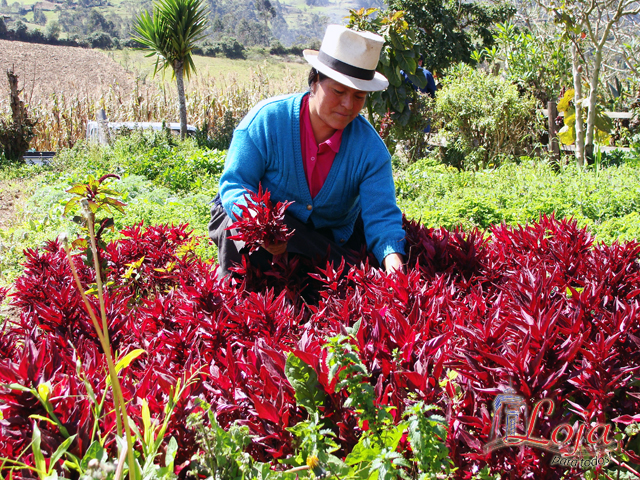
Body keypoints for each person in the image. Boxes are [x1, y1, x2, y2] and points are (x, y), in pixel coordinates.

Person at [209, 25, 406, 279]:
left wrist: (394, 266)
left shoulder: (370, 151)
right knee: (234, 231)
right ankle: (234, 302)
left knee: (336, 275)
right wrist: (264, 228)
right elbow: (235, 183)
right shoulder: (267, 121)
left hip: (323, 234)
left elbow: (382, 217)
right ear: (314, 82)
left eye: (359, 96)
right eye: (338, 91)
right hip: (259, 222)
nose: (348, 105)